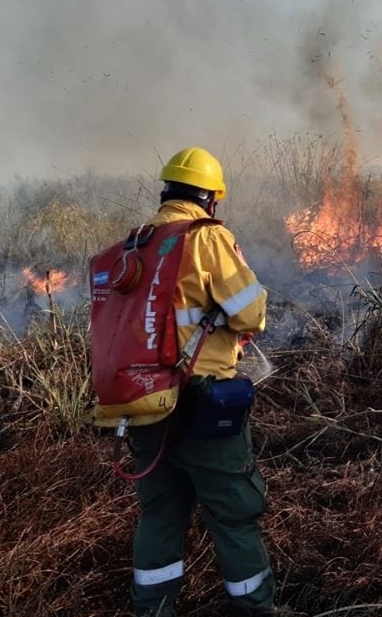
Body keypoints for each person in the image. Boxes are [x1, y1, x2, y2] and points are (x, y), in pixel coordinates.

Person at [123, 147, 274, 616]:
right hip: (202, 401)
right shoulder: (205, 237)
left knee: (161, 511)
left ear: (166, 190)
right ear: (211, 199)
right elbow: (250, 311)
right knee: (234, 513)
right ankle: (253, 609)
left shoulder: (138, 241)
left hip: (143, 400)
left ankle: (151, 609)